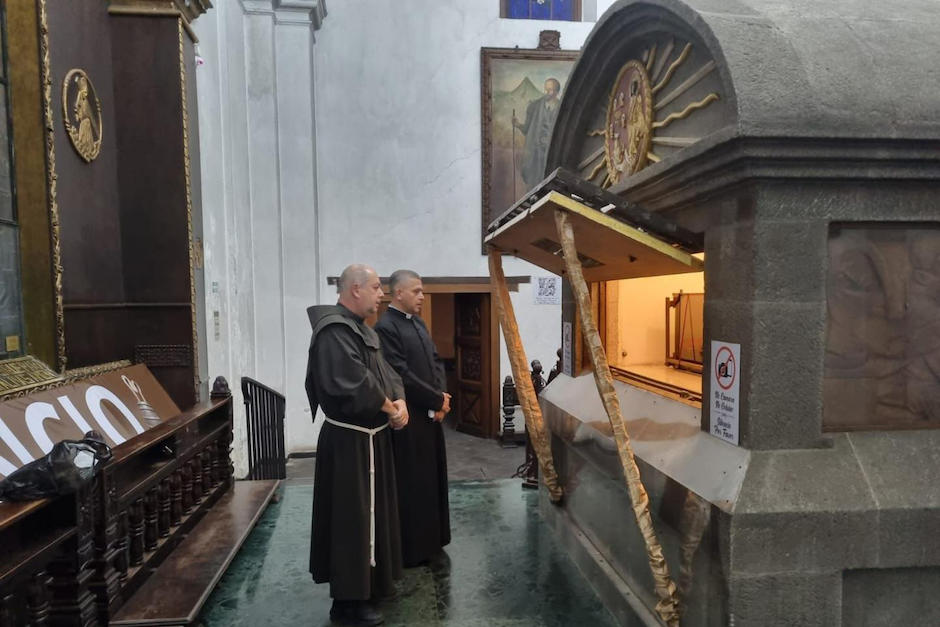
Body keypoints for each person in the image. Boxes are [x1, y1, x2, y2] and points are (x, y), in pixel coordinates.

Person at [305, 264, 409, 626]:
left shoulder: (359, 329)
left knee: (371, 516)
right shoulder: (334, 333)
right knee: (351, 520)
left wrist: (400, 400)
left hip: (371, 441)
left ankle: (371, 585)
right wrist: (388, 407)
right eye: (377, 287)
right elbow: (352, 383)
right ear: (354, 290)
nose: (382, 294)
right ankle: (347, 602)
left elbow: (386, 372)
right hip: (349, 442)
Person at [374, 269, 452, 567]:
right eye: (417, 291)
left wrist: (442, 399)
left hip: (431, 415)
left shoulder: (418, 322)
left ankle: (434, 540)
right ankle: (414, 549)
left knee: (432, 479)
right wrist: (434, 400)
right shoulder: (386, 328)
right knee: (413, 484)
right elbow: (399, 374)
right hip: (410, 419)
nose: (422, 296)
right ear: (399, 294)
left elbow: (434, 361)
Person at [512, 77, 562, 188]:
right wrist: (518, 124)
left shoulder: (562, 109)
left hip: (552, 153)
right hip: (535, 153)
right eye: (547, 90)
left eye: (552, 90)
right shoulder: (535, 107)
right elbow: (527, 129)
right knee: (533, 184)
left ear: (557, 92)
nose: (548, 93)